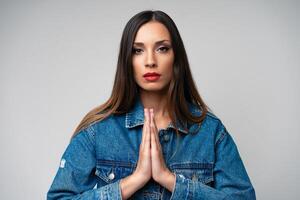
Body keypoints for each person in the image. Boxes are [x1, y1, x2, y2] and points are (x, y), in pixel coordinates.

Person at [47, 10, 256, 200]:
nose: (150, 61)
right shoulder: (97, 131)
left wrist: (170, 180)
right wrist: (134, 180)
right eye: (138, 51)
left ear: (176, 58)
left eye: (162, 48)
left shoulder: (210, 132)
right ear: (127, 61)